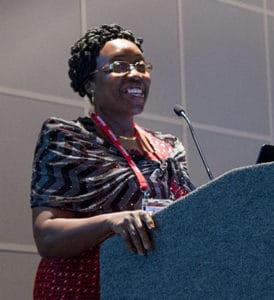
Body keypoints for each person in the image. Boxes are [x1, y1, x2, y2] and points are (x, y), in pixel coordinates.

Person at [31, 24, 195, 299]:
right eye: (119, 66)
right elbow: (46, 236)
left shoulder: (168, 148)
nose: (135, 74)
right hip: (83, 287)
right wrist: (110, 222)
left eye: (141, 66)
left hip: (153, 286)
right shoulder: (67, 138)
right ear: (90, 83)